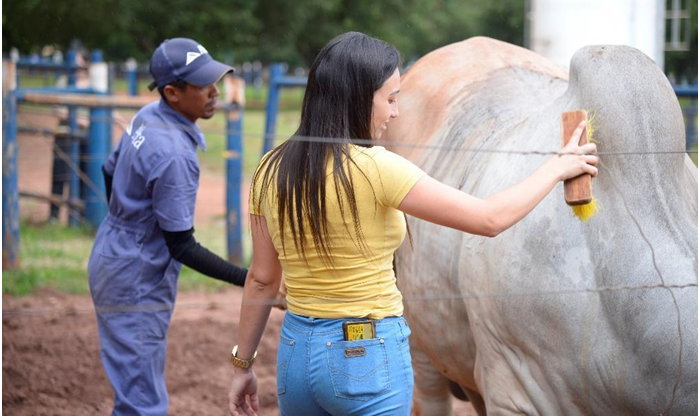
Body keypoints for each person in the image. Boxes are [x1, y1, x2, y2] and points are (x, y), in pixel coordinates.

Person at [227, 32, 598, 416]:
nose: (395, 112)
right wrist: (557, 167)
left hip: (296, 355)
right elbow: (489, 219)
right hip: (366, 356)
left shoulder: (270, 169)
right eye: (389, 98)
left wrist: (243, 364)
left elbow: (261, 280)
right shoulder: (377, 168)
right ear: (358, 98)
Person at [88, 38, 249, 415]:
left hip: (114, 253)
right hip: (136, 277)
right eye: (203, 85)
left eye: (216, 80)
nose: (215, 92)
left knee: (135, 390)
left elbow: (109, 170)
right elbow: (181, 246)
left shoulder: (147, 115)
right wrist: (250, 279)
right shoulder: (174, 153)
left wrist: (129, 222)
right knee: (142, 403)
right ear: (173, 93)